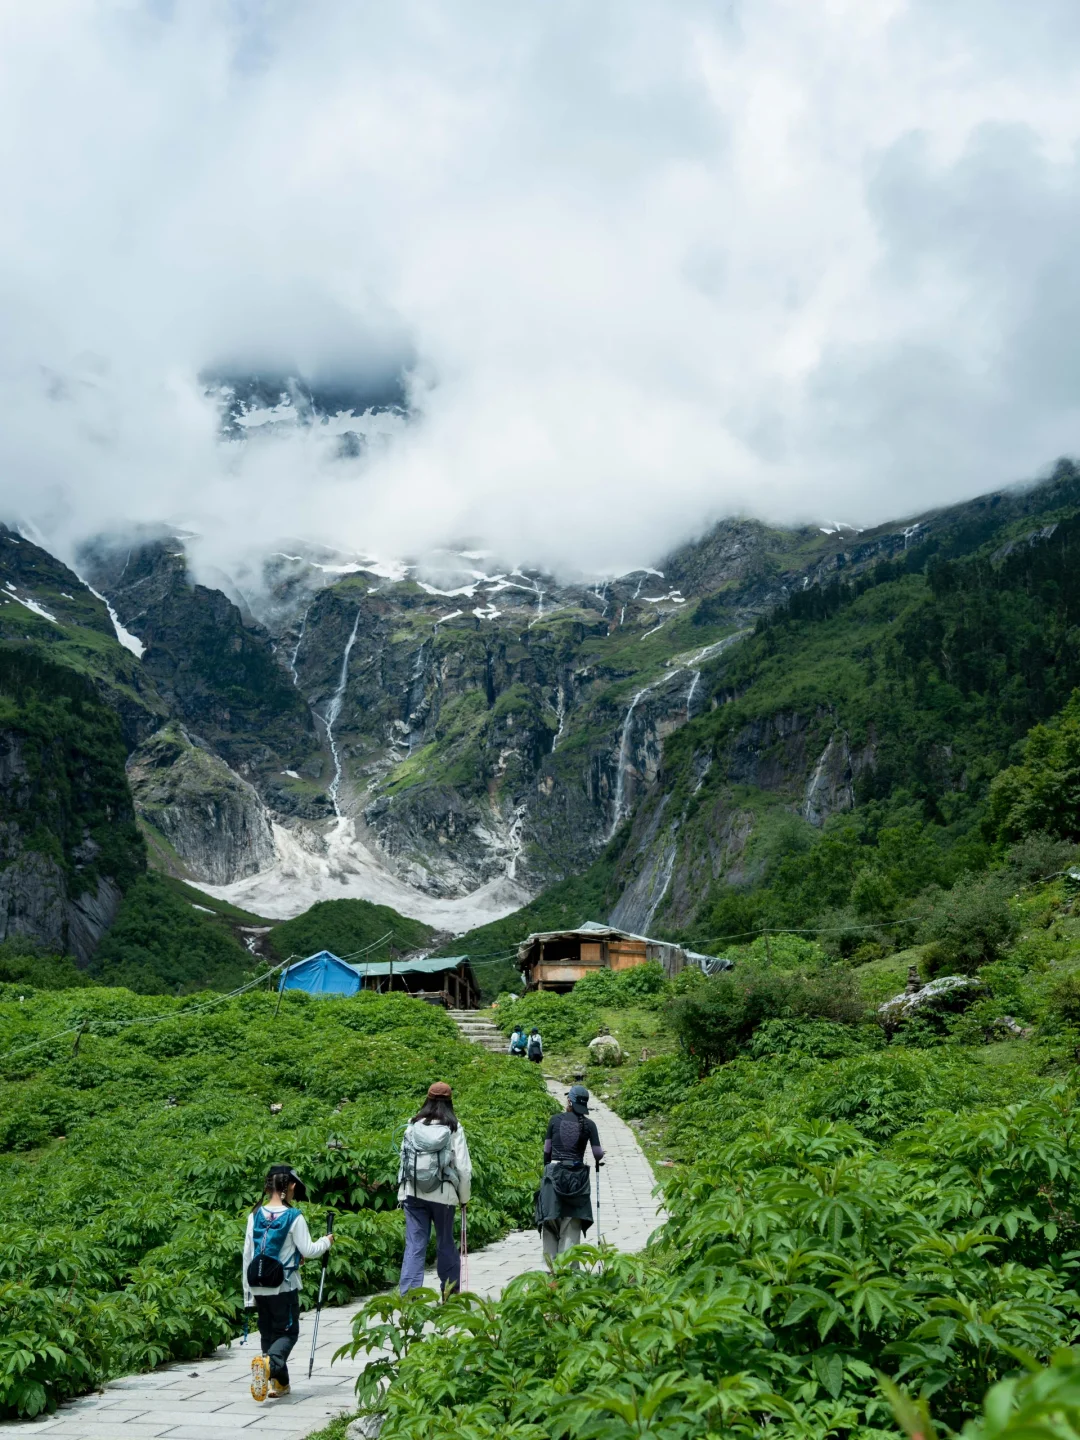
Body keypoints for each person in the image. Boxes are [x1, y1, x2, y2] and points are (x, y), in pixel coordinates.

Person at [243, 1164, 334, 1403]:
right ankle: (268, 1365)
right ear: (290, 1186)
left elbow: (248, 1254)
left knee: (268, 1332)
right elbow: (309, 1249)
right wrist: (326, 1241)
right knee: (288, 1332)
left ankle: (278, 1383)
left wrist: (247, 1294)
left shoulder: (255, 1215)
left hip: (257, 1283)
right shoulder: (294, 1216)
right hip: (283, 1285)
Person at [397, 1081, 472, 1296]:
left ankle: (409, 1298)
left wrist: (403, 1192)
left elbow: (404, 1160)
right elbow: (464, 1169)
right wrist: (464, 1198)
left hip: (413, 1193)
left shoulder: (412, 1125)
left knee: (415, 1245)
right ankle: (449, 1293)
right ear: (449, 1102)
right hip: (443, 1195)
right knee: (445, 1242)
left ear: (427, 1099)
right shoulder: (453, 1128)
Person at [536, 1085, 604, 1260]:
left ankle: (549, 1279)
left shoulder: (554, 1120)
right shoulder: (590, 1125)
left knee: (550, 1228)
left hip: (553, 1176)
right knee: (571, 1231)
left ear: (569, 1101)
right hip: (577, 1181)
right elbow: (597, 1154)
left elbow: (547, 1151)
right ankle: (568, 1276)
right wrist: (601, 1156)